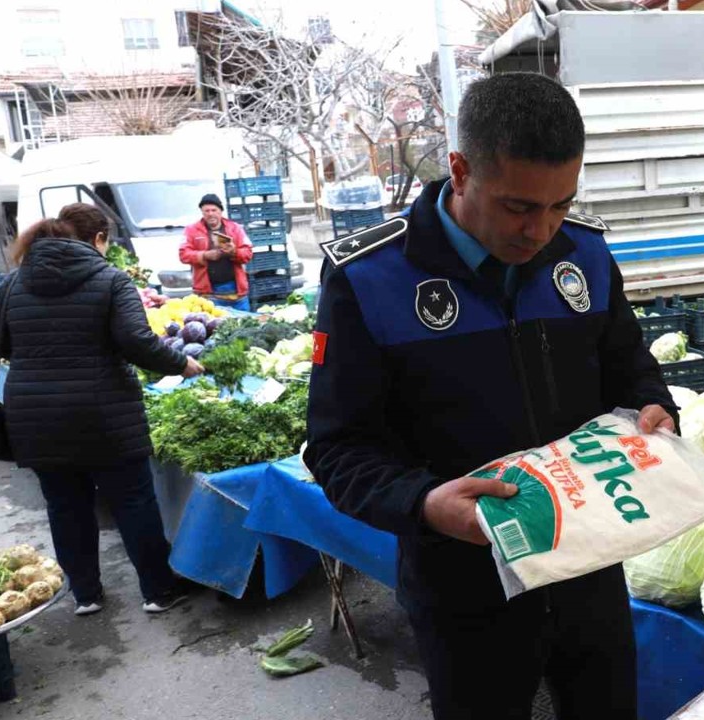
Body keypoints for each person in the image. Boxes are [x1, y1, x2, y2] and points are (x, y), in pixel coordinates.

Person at [306, 73, 676, 720]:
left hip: (589, 567)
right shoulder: (371, 278)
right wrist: (424, 503)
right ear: (459, 171)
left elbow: (630, 368)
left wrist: (653, 406)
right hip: (465, 591)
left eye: (561, 204)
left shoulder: (586, 254)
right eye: (518, 207)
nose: (541, 230)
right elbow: (337, 448)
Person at [0, 203, 204, 616]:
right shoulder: (111, 279)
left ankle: (86, 595)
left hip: (36, 415)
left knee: (65, 505)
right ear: (96, 239)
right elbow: (136, 341)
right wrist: (180, 363)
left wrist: (35, 355)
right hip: (104, 411)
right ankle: (158, 592)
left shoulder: (11, 285)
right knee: (133, 501)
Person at [179, 193, 253, 311]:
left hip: (236, 291)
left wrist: (234, 252)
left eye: (214, 210)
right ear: (202, 212)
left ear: (220, 211)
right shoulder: (191, 230)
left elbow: (248, 253)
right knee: (213, 322)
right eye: (206, 211)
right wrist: (204, 255)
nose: (210, 214)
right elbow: (183, 255)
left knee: (243, 320)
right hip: (207, 293)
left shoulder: (235, 228)